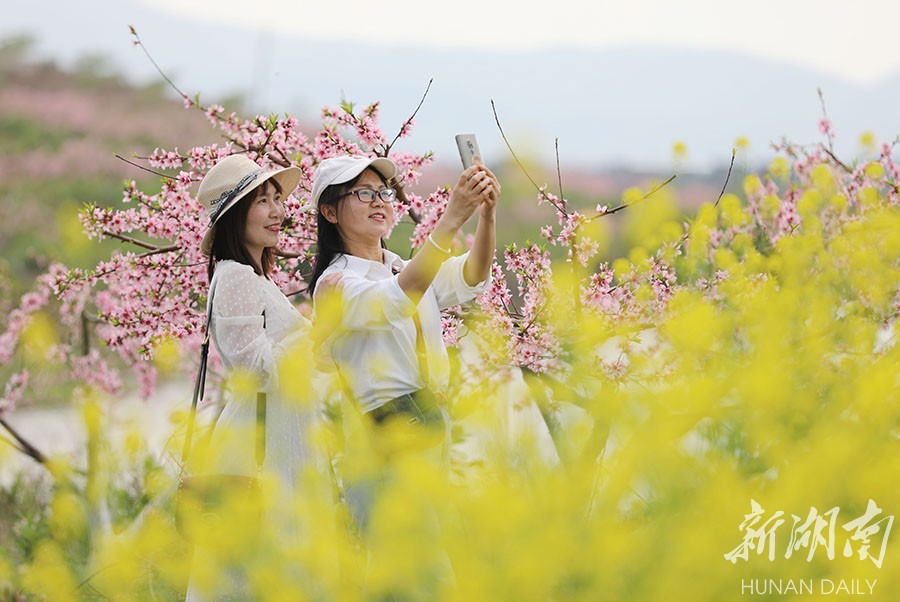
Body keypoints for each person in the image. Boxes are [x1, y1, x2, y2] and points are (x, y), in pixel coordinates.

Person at [308, 154, 499, 535]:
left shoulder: (399, 267)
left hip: (428, 425)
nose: (379, 201)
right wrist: (451, 220)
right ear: (330, 212)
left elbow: (472, 276)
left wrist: (486, 217)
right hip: (383, 444)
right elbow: (398, 299)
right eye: (362, 193)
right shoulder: (336, 283)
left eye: (383, 192)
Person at [185, 154, 334, 601]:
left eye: (277, 199)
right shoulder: (234, 277)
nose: (277, 211)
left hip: (281, 434)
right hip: (261, 443)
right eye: (261, 201)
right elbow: (257, 367)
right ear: (234, 215)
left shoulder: (255, 277)